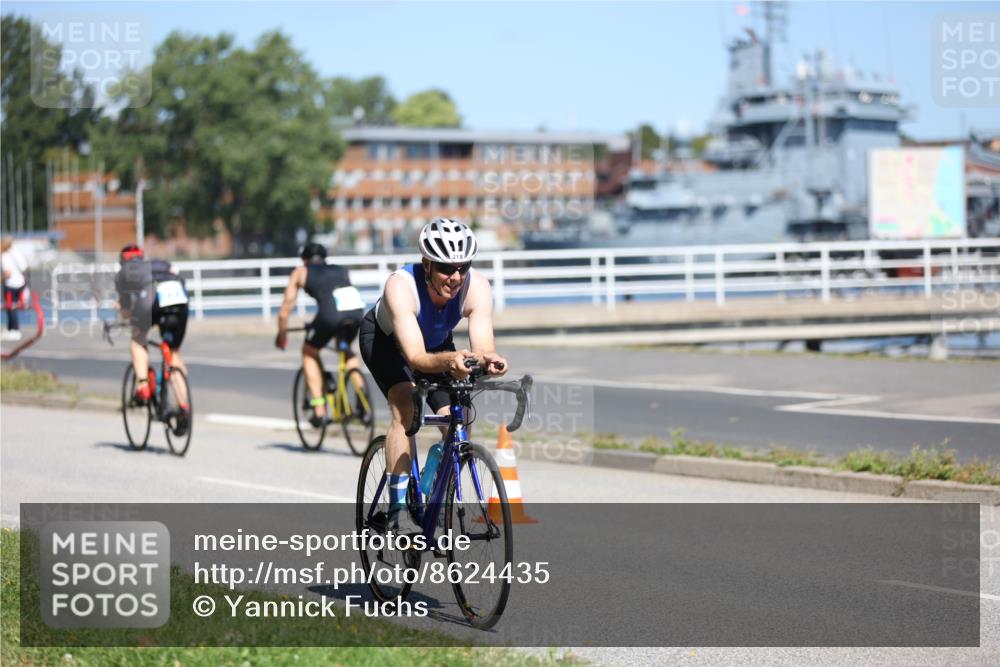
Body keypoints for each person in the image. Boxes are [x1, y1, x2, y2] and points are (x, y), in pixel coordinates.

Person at [359, 218, 507, 528]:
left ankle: (434, 494)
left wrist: (489, 359)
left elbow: (482, 344)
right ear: (426, 264)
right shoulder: (401, 286)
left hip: (437, 346)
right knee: (406, 408)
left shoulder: (476, 286)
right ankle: (399, 510)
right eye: (445, 268)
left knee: (460, 417)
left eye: (462, 268)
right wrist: (451, 360)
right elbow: (415, 357)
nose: (455, 277)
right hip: (387, 343)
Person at [275, 242, 366, 427]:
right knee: (346, 350)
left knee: (309, 352)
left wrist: (282, 334)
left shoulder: (301, 271)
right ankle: (361, 394)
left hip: (330, 315)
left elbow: (285, 309)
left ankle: (319, 409)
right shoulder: (340, 269)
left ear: (304, 259)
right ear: (324, 258)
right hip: (356, 312)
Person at [114, 244, 191, 434]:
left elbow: (126, 311)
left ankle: (142, 386)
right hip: (179, 301)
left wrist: (129, 316)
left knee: (138, 340)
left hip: (152, 299)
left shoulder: (124, 273)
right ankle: (184, 409)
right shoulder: (160, 265)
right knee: (172, 354)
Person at [1, 237, 28, 341]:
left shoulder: (5, 256)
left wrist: (1, 279)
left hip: (10, 285)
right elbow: (24, 267)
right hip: (20, 283)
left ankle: (15, 330)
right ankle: (10, 330)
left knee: (11, 307)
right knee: (12, 306)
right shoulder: (17, 253)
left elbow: (8, 273)